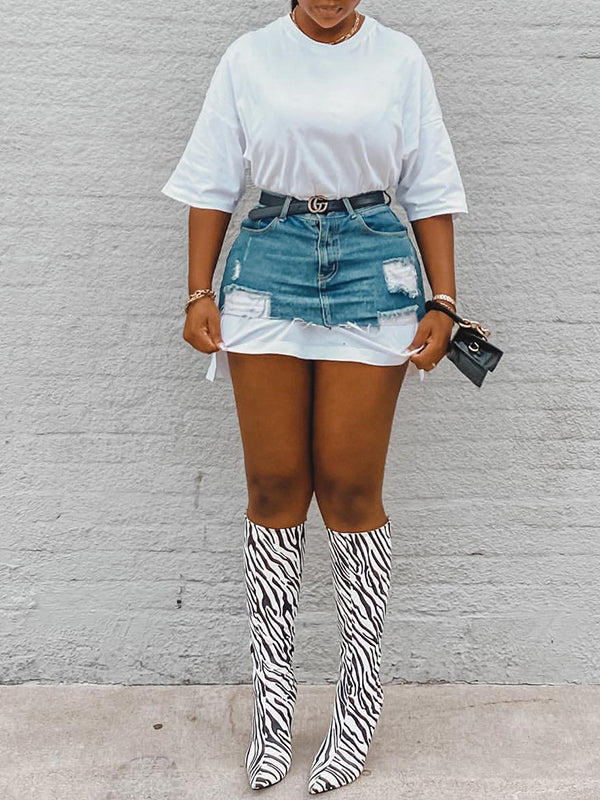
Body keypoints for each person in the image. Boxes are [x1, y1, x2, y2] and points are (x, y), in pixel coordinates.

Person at [161, 1, 468, 793]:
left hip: (375, 265)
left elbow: (430, 187)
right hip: (268, 261)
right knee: (273, 486)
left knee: (350, 486)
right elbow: (213, 178)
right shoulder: (249, 57)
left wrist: (445, 301)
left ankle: (355, 714)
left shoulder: (400, 60)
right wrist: (199, 288)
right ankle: (273, 716)